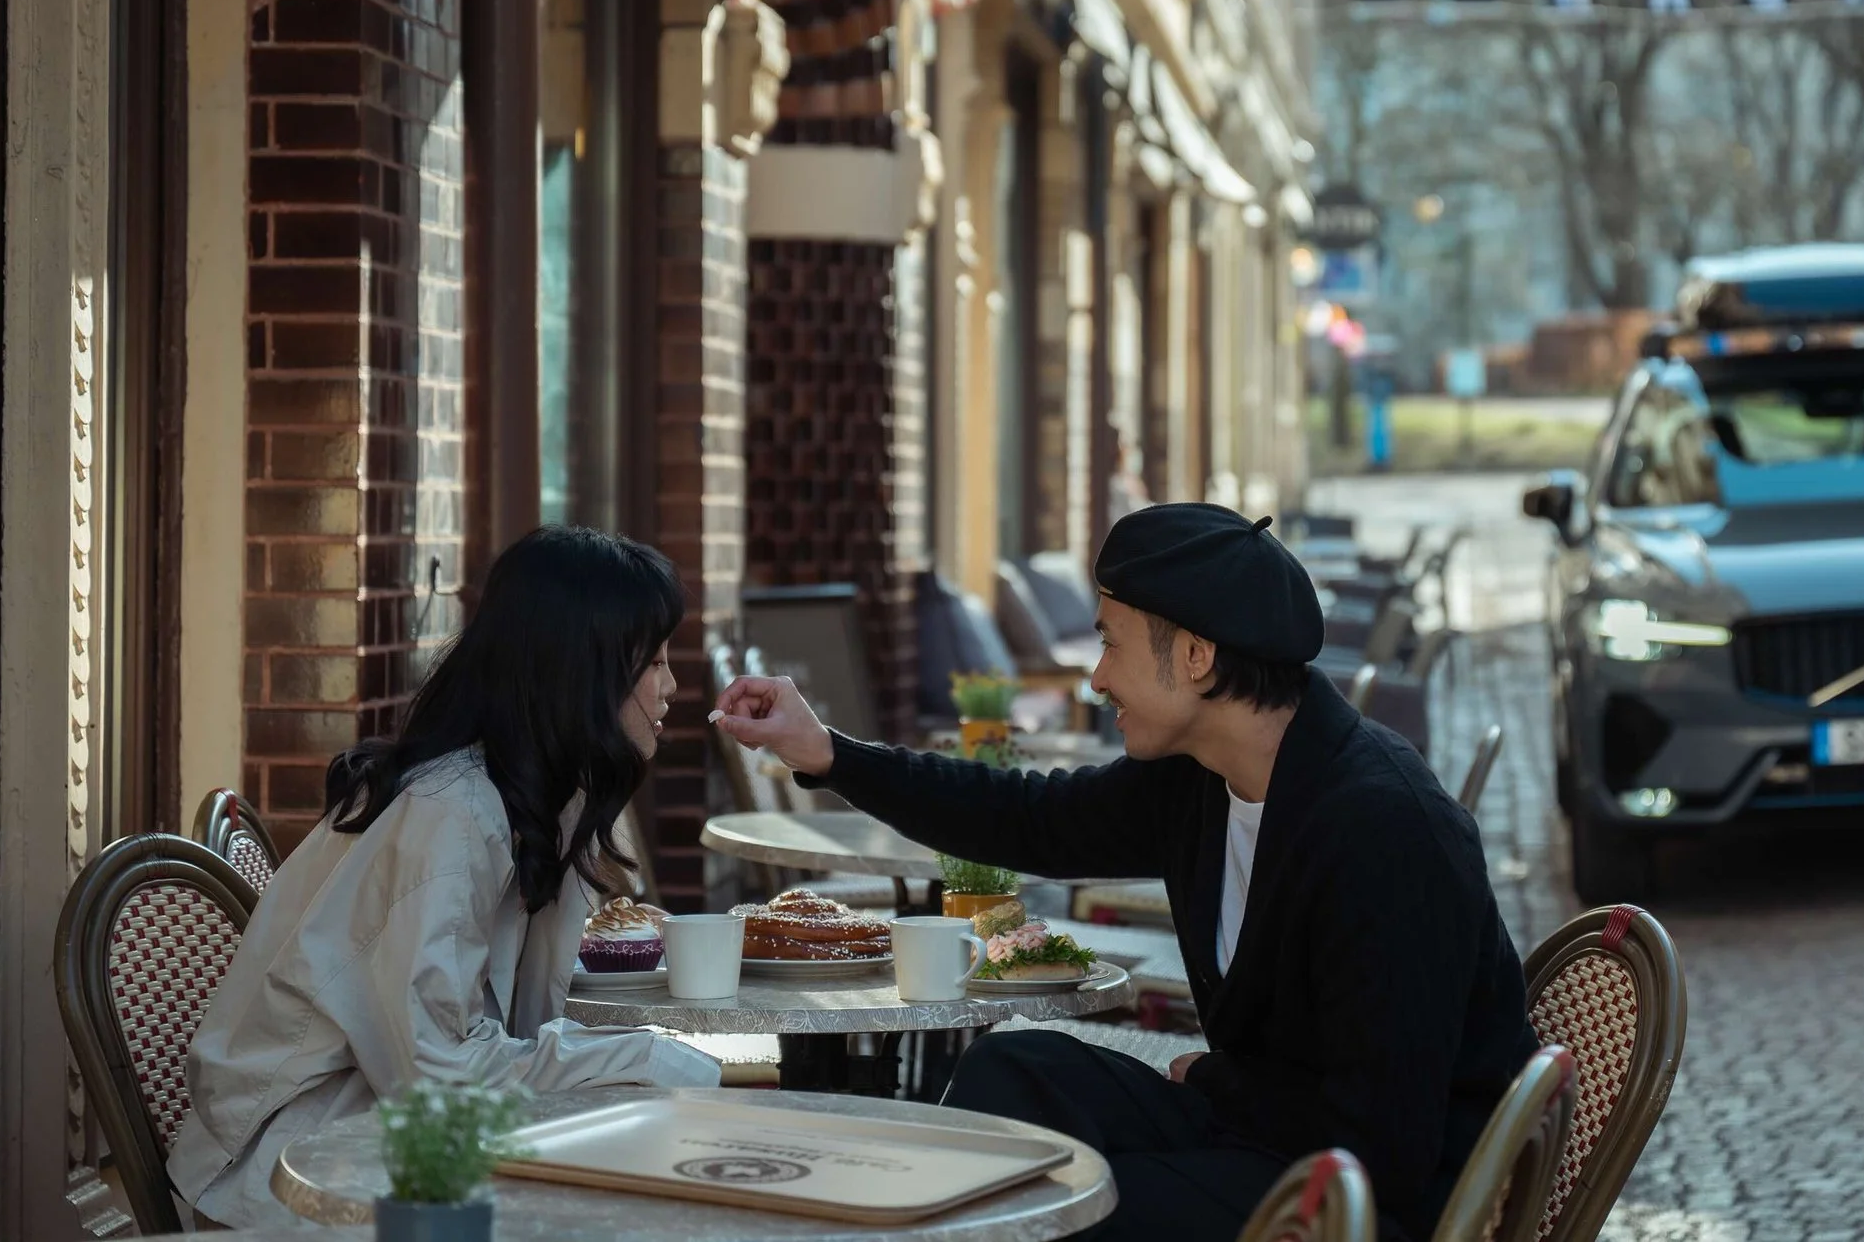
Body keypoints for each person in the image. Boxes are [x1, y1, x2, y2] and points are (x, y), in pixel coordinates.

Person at [715, 503, 1535, 1242]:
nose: (1096, 675)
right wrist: (828, 752)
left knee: (1075, 1203)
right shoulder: (1204, 778)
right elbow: (1025, 817)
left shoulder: (1381, 829)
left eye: (1111, 641)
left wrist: (1217, 1081)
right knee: (1015, 1067)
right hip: (1270, 1135)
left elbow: (1383, 1141)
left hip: (1367, 1205)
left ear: (1198, 655)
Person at [170, 527, 724, 1228]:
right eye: (652, 660)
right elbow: (436, 1074)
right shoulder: (450, 812)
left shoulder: (537, 793)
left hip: (389, 1132)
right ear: (579, 670)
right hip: (295, 1169)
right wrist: (648, 1056)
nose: (671, 684)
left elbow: (510, 1023)